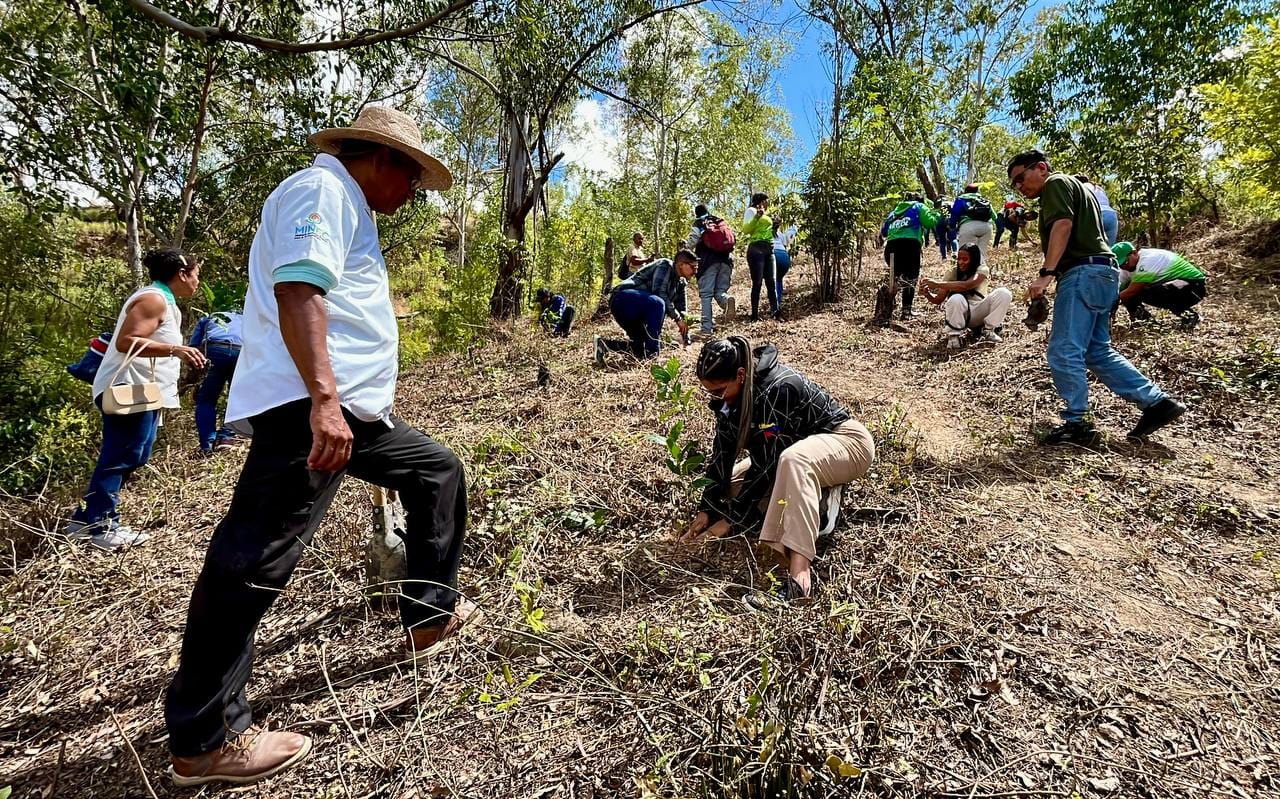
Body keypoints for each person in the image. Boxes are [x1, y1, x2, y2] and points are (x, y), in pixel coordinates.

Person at [163, 107, 468, 787]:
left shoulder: (346, 203)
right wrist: (325, 401)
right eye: (411, 179)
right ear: (382, 159)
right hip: (310, 409)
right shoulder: (322, 190)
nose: (411, 194)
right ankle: (206, 737)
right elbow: (299, 289)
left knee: (436, 471)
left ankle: (428, 614)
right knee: (253, 558)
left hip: (347, 411)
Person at [682, 337, 874, 607]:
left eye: (720, 391)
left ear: (741, 375)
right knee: (733, 485)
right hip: (792, 451)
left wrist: (732, 520)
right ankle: (810, 495)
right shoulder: (731, 398)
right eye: (710, 393)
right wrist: (708, 509)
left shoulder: (778, 388)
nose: (717, 398)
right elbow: (722, 453)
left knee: (794, 461)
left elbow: (768, 462)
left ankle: (800, 578)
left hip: (846, 443)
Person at [1009, 149, 1185, 445]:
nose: (1019, 186)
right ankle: (1157, 403)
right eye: (1014, 183)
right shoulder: (1080, 189)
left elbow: (1063, 225)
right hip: (1103, 274)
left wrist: (1046, 273)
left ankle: (1077, 423)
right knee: (1096, 350)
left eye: (1020, 178)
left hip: (1082, 274)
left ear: (1040, 168)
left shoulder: (1055, 184)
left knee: (1064, 350)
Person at [67, 249, 207, 550]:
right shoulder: (153, 299)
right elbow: (126, 341)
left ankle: (83, 521)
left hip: (144, 391)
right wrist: (176, 350)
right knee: (121, 455)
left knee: (136, 454)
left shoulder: (165, 302)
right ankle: (102, 527)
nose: (198, 282)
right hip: (128, 386)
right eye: (197, 275)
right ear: (182, 274)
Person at [594, 249, 697, 363]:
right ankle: (653, 356)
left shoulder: (681, 283)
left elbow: (683, 314)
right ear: (681, 264)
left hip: (639, 311)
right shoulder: (665, 265)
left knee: (642, 346)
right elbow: (659, 292)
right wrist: (677, 318)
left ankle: (604, 345)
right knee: (658, 303)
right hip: (622, 300)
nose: (695, 271)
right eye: (693, 267)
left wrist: (687, 340)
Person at [918, 243, 1013, 349]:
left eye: (965, 259)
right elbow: (938, 299)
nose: (961, 262)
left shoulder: (982, 269)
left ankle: (988, 330)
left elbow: (967, 285)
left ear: (974, 259)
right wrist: (927, 294)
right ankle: (954, 336)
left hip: (979, 311)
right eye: (959, 259)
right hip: (962, 313)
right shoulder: (953, 273)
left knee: (1004, 293)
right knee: (955, 298)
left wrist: (937, 284)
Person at [1112, 242, 1207, 328]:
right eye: (1120, 265)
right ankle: (1143, 320)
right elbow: (1117, 292)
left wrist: (1111, 302)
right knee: (1127, 293)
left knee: (1144, 292)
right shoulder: (1125, 269)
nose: (1124, 266)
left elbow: (1132, 291)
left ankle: (1189, 315)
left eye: (1125, 262)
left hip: (1194, 286)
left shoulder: (1148, 259)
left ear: (1134, 253)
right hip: (1173, 285)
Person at [188, 307, 245, 454]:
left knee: (206, 399)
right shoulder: (246, 319)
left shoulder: (210, 317)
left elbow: (193, 348)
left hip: (214, 350)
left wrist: (196, 380)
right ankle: (227, 438)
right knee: (235, 398)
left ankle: (207, 444)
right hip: (241, 352)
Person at [880, 192, 941, 320]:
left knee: (895, 277)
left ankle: (885, 310)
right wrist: (937, 212)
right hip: (910, 247)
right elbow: (930, 222)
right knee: (910, 278)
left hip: (890, 247)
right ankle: (906, 311)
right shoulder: (918, 206)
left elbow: (884, 232)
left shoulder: (894, 212)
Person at [685, 204, 736, 337]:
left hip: (708, 263)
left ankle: (706, 329)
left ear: (696, 213)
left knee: (706, 295)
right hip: (726, 261)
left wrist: (684, 249)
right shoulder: (718, 221)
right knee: (720, 292)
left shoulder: (699, 223)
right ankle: (727, 300)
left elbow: (693, 240)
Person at [741, 193, 780, 321]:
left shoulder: (766, 214)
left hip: (769, 249)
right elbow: (746, 230)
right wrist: (757, 217)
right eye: (766, 201)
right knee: (757, 282)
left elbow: (767, 231)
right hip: (756, 249)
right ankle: (754, 315)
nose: (768, 203)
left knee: (771, 281)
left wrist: (775, 225)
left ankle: (775, 312)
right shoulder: (751, 211)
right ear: (761, 201)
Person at [950, 183, 996, 260]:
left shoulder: (960, 199)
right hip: (986, 228)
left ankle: (970, 268)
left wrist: (952, 227)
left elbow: (954, 214)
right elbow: (995, 216)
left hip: (968, 227)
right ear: (977, 191)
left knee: (967, 255)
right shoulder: (983, 200)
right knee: (981, 255)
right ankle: (981, 267)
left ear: (965, 191)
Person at [1076, 175, 1118, 245]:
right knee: (1109, 247)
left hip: (1096, 214)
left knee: (1091, 245)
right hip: (1111, 215)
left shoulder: (1081, 187)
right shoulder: (1098, 188)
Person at [772, 217, 794, 303]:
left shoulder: (766, 234)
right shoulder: (782, 235)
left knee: (772, 280)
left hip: (773, 255)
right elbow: (785, 247)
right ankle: (778, 302)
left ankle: (774, 304)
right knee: (779, 279)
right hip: (784, 257)